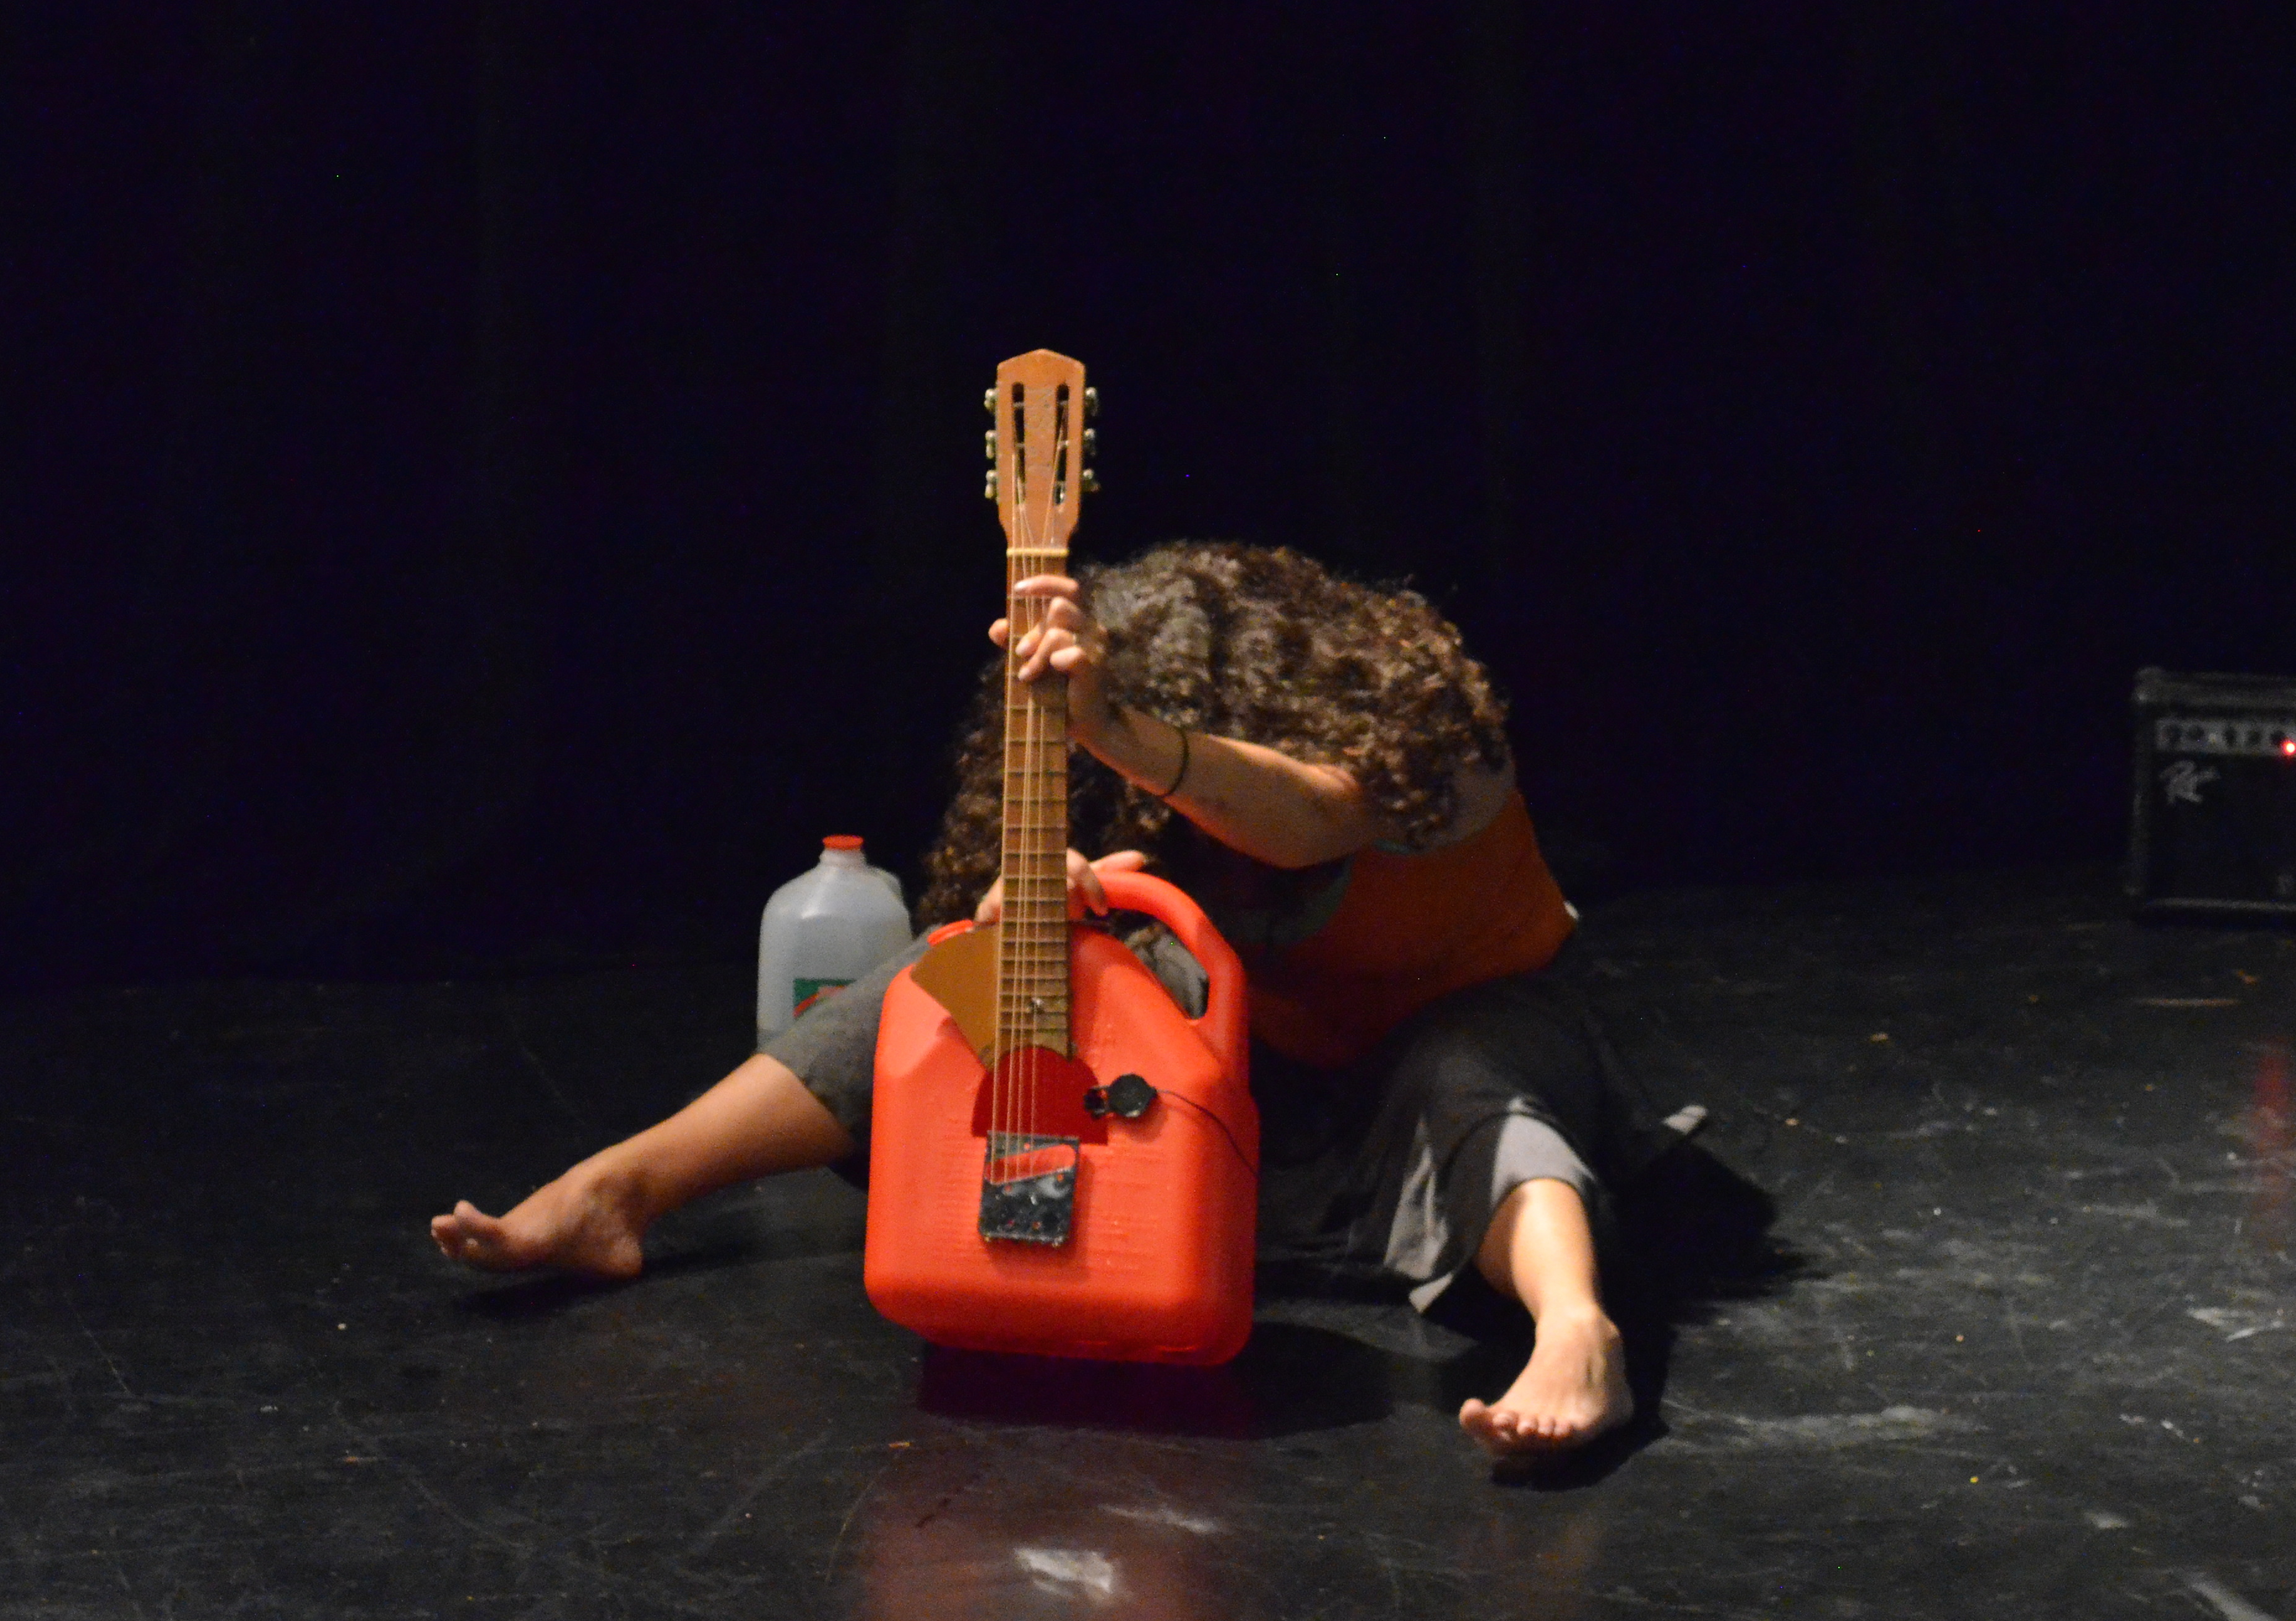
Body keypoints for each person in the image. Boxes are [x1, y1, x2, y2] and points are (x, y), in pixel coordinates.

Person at [433, 542, 1687, 1459]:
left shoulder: (1428, 752)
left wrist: (1125, 731)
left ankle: (1574, 1332)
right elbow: (1062, 971)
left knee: (1471, 1067)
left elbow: (1309, 821)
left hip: (1454, 1069)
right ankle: (619, 1191)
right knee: (960, 979)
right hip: (1234, 1121)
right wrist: (1045, 905)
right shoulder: (1137, 801)